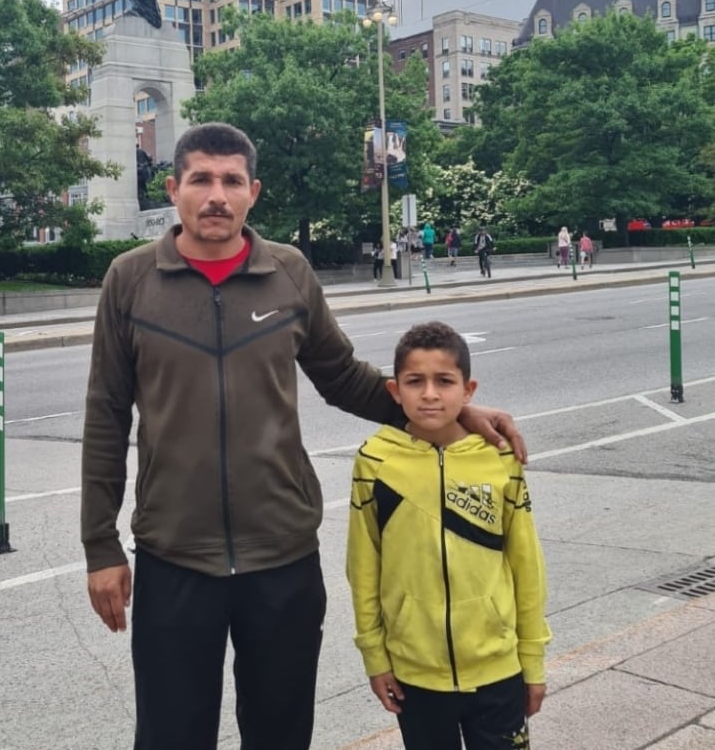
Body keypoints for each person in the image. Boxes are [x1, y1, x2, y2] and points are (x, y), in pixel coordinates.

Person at [81, 122, 528, 750]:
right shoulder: (130, 280)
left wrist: (453, 420)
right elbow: (106, 414)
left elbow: (343, 377)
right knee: (171, 736)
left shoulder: (288, 272)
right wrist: (100, 545)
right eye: (201, 179)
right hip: (174, 556)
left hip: (282, 558)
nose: (217, 195)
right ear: (174, 187)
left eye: (231, 181)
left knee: (281, 733)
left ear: (253, 191)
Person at [347, 321, 551, 750]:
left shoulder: (500, 460)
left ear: (469, 390)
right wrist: (375, 655)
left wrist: (531, 661)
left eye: (444, 381)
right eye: (414, 382)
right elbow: (363, 566)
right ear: (394, 391)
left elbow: (526, 565)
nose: (430, 394)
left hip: (497, 668)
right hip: (414, 673)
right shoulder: (374, 462)